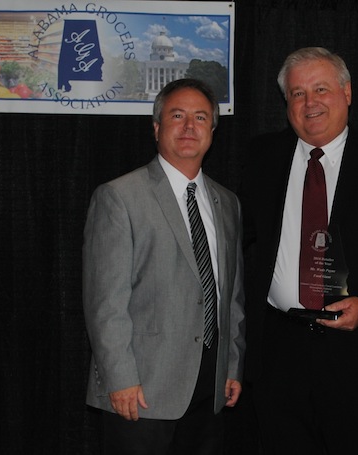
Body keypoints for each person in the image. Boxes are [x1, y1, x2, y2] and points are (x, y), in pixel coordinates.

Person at [240, 47, 358, 455]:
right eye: (297, 93)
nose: (310, 103)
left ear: (347, 93)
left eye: (321, 89)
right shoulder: (261, 157)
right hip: (279, 353)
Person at [83, 78, 246, 454]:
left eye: (201, 117)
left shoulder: (228, 202)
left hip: (211, 387)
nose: (189, 127)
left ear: (212, 131)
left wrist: (232, 365)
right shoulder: (119, 198)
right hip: (142, 390)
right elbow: (105, 303)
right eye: (178, 115)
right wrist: (119, 378)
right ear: (157, 128)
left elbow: (232, 295)